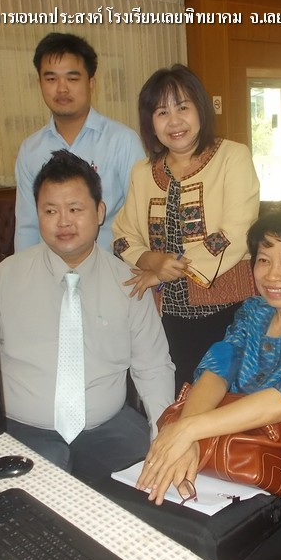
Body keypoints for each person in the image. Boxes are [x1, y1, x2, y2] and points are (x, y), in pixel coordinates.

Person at [135, 207, 281, 560]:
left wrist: (188, 430)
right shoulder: (254, 311)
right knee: (145, 528)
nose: (272, 275)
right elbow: (218, 367)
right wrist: (186, 435)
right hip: (223, 470)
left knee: (191, 556)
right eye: (263, 260)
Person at [0, 150, 175, 483]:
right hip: (24, 431)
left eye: (75, 209)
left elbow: (153, 366)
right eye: (50, 211)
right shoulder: (0, 280)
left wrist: (164, 435)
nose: (63, 222)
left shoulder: (129, 283)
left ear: (100, 212)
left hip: (107, 429)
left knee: (158, 490)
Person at [112, 64, 260, 391]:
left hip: (230, 310)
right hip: (167, 315)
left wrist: (168, 272)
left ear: (201, 109)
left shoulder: (233, 157)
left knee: (228, 398)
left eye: (182, 107)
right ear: (150, 122)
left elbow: (235, 233)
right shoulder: (142, 172)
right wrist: (153, 262)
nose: (174, 121)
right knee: (178, 395)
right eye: (162, 112)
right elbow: (122, 237)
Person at [14, 33, 145, 253]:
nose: (62, 88)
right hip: (51, 269)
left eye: (72, 79)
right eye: (51, 79)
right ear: (40, 84)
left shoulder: (122, 141)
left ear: (91, 83)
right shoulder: (30, 150)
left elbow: (141, 219)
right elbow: (27, 227)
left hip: (112, 265)